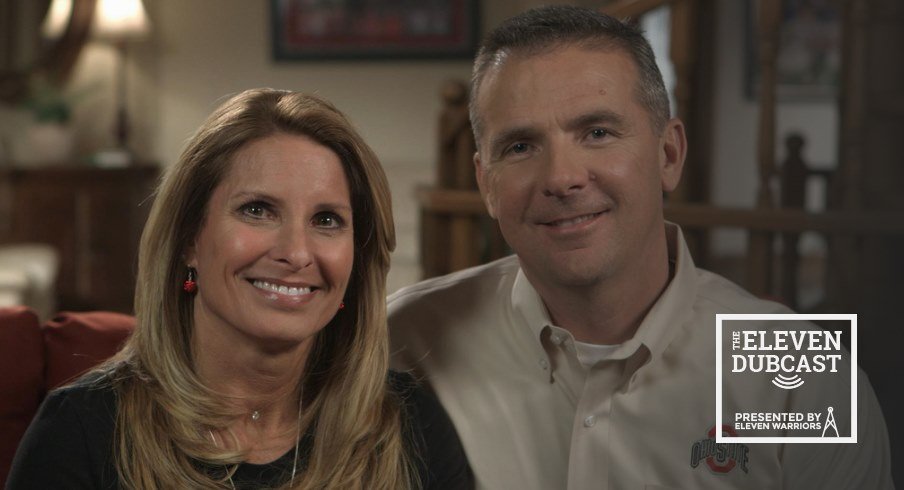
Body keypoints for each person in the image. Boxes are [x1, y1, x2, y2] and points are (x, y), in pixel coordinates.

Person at [388, 6, 892, 490]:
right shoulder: (404, 341)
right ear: (486, 183)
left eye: (598, 132)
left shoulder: (803, 375)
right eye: (520, 146)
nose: (562, 178)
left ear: (668, 154)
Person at [8, 89, 472, 489]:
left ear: (357, 258)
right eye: (257, 210)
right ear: (190, 238)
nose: (296, 252)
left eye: (327, 220)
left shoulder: (414, 428)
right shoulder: (79, 433)